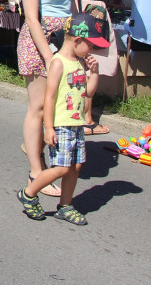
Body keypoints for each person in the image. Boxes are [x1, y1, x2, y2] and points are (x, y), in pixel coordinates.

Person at [17, 12, 105, 225]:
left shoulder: (80, 63)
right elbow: (49, 97)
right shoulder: (58, 63)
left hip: (76, 124)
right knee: (62, 168)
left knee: (75, 167)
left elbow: (88, 93)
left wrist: (94, 73)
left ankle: (65, 206)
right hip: (61, 125)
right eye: (90, 45)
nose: (92, 50)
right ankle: (29, 193)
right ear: (77, 40)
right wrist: (49, 127)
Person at [15, 0, 78, 198]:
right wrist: (50, 56)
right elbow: (31, 16)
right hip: (41, 40)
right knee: (39, 107)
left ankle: (47, 156)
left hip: (65, 39)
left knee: (58, 107)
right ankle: (36, 170)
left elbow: (71, 3)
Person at [61, 0, 134, 134]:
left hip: (71, 4)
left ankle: (69, 112)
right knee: (93, 61)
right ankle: (89, 119)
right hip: (94, 7)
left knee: (71, 58)